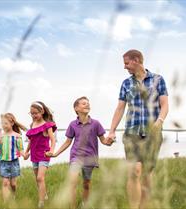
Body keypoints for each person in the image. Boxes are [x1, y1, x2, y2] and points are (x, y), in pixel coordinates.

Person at [107, 49, 168, 209]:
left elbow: (165, 105)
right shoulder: (126, 83)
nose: (125, 67)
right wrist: (112, 130)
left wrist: (159, 121)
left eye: (126, 63)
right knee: (134, 171)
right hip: (131, 133)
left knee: (147, 174)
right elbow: (120, 108)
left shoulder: (158, 80)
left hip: (152, 134)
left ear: (136, 60)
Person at [50, 96, 113, 209]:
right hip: (76, 157)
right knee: (72, 182)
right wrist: (55, 153)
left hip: (90, 158)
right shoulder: (72, 124)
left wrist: (109, 141)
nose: (87, 105)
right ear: (76, 108)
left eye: (88, 103)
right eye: (84, 103)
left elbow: (104, 141)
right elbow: (67, 142)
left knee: (86, 184)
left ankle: (85, 204)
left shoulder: (96, 124)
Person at [24, 101, 56, 209]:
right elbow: (30, 141)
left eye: (35, 113)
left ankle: (41, 203)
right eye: (31, 113)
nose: (33, 115)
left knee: (40, 178)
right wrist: (26, 152)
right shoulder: (32, 125)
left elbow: (53, 139)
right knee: (37, 178)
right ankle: (44, 194)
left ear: (42, 111)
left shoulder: (47, 125)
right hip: (34, 155)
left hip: (44, 154)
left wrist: (52, 150)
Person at [0, 113, 27, 202]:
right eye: (2, 123)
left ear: (12, 123)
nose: (3, 126)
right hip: (3, 162)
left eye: (5, 123)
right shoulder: (0, 136)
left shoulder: (17, 136)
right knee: (5, 183)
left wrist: (25, 155)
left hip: (14, 162)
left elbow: (21, 150)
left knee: (13, 184)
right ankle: (6, 203)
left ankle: (13, 195)